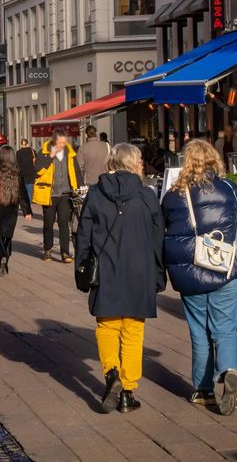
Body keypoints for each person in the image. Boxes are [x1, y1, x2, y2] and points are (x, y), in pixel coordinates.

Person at [76, 143, 165, 414]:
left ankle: (111, 372)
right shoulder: (147, 196)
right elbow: (157, 238)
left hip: (106, 269)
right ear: (135, 163)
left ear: (111, 162)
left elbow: (84, 235)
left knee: (107, 326)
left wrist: (81, 266)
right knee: (133, 330)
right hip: (139, 270)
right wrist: (159, 274)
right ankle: (127, 390)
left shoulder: (95, 193)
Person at [162, 139, 237, 415]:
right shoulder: (229, 189)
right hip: (224, 268)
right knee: (225, 327)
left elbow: (166, 228)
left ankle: (202, 389)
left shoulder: (173, 195)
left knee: (199, 330)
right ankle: (229, 369)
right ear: (214, 160)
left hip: (189, 271)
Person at [0, 146, 33, 275]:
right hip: (11, 207)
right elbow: (22, 192)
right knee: (7, 236)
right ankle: (5, 257)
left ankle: (1, 254)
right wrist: (27, 211)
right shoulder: (16, 171)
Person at [33, 128, 79, 263]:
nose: (62, 145)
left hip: (65, 194)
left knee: (64, 224)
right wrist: (51, 156)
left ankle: (65, 253)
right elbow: (38, 170)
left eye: (64, 142)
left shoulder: (70, 153)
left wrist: (78, 188)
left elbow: (76, 172)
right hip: (50, 194)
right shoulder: (44, 152)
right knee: (48, 223)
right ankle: (47, 250)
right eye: (59, 142)